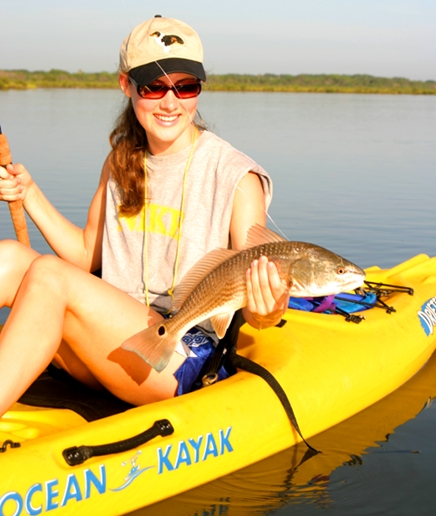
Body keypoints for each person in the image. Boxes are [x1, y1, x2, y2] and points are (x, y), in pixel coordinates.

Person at [0, 15, 290, 416]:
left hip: (177, 355)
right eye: (153, 87)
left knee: (48, 275)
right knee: (9, 257)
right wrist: (29, 194)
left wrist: (268, 308)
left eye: (185, 86)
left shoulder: (237, 177)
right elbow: (87, 255)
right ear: (126, 85)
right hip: (109, 347)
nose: (170, 102)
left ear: (199, 89)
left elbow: (259, 309)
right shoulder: (120, 160)